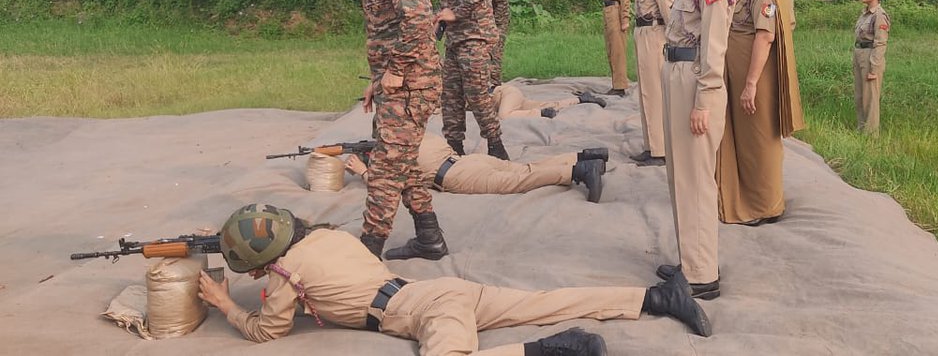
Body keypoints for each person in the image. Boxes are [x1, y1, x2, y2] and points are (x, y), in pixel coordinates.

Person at [198, 204, 712, 356]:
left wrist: (226, 304)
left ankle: (558, 348)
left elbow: (269, 330)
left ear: (264, 262)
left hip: (421, 312)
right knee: (549, 299)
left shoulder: (288, 274)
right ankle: (656, 297)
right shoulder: (327, 237)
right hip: (443, 292)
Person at [312, 0, 445, 261]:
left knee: (385, 169)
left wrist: (397, 71)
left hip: (411, 84)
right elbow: (392, 28)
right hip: (398, 81)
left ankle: (366, 258)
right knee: (402, 162)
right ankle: (429, 237)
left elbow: (419, 22)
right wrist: (380, 77)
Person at [649, 0, 734, 300]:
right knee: (680, 175)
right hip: (678, 73)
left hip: (696, 80)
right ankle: (691, 260)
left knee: (696, 179)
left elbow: (714, 48)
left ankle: (702, 274)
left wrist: (704, 100)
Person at [714, 0, 805, 226]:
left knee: (758, 141)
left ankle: (763, 206)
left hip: (757, 77)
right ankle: (751, 200)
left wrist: (750, 84)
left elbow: (764, 37)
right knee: (750, 138)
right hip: (749, 75)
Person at [418, 0, 509, 161]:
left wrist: (455, 13)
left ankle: (496, 146)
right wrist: (443, 23)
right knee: (450, 95)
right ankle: (454, 146)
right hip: (456, 39)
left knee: (477, 94)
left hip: (475, 38)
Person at [345, 135, 608, 202]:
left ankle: (578, 171)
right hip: (469, 160)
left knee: (520, 180)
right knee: (524, 166)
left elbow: (387, 187)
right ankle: (584, 156)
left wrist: (363, 171)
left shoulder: (394, 154)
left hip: (455, 176)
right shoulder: (421, 136)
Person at [629, 0, 676, 167]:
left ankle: (659, 150)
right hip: (644, 34)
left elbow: (671, 17)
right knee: (646, 92)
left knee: (655, 93)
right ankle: (651, 145)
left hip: (655, 37)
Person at [853, 0, 890, 134]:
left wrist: (874, 67)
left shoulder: (879, 15)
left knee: (870, 97)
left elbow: (880, 43)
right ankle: (862, 128)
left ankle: (871, 132)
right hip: (860, 53)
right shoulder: (865, 14)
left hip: (871, 56)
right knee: (860, 95)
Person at [597, 0, 631, 96]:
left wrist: (625, 19)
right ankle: (615, 84)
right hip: (608, 11)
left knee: (618, 50)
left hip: (616, 12)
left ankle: (620, 86)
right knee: (611, 49)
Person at [492, 82, 607, 119]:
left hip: (507, 94)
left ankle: (541, 113)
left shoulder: (476, 87)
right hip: (511, 100)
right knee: (547, 105)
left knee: (504, 115)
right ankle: (581, 100)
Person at [489, 0, 511, 89]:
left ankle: (494, 86)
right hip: (483, 18)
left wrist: (495, 24)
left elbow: (501, 1)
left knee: (495, 51)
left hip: (498, 18)